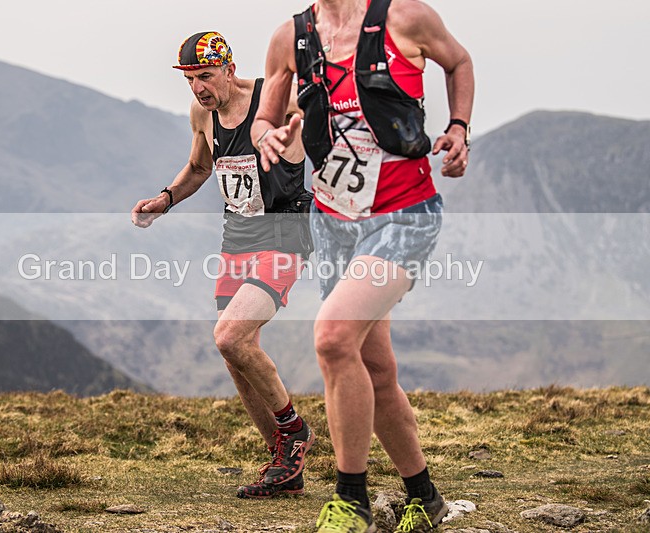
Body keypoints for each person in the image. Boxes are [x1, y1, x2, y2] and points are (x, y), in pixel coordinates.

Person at [251, 0, 474, 530]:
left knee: (331, 338)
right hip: (334, 222)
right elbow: (266, 116)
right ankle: (425, 496)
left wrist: (460, 127)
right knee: (375, 369)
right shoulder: (291, 38)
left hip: (404, 217)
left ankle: (351, 502)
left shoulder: (406, 17)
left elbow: (458, 61)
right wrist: (271, 136)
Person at [131, 31, 316, 499]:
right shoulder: (202, 113)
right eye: (190, 79)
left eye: (206, 76)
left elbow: (327, 134)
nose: (198, 88)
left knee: (229, 334)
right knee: (235, 353)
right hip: (237, 238)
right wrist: (165, 200)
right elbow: (199, 168)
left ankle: (294, 431)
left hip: (283, 234)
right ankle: (284, 464)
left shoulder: (274, 101)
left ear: (230, 70)